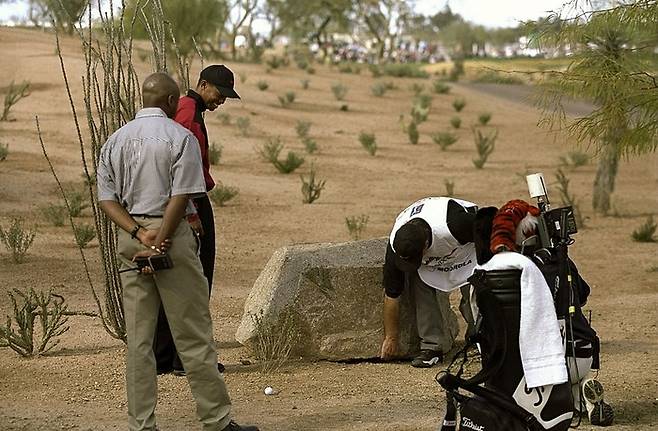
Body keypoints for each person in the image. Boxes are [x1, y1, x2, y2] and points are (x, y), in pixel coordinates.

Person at [97, 72, 257, 431]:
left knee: (139, 339)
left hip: (131, 237)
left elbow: (106, 199)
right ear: (172, 102)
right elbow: (182, 194)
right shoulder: (179, 137)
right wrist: (161, 237)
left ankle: (142, 424)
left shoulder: (114, 140)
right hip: (171, 235)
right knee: (193, 332)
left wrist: (139, 233)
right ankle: (216, 420)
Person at [154, 64, 241, 376]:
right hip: (190, 200)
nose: (222, 100)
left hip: (182, 200)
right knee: (196, 281)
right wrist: (190, 212)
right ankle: (186, 359)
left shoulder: (190, 108)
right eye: (220, 93)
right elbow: (178, 165)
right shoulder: (188, 113)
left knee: (177, 279)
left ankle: (163, 357)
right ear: (203, 85)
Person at [380, 197, 477, 368]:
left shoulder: (456, 223)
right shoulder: (397, 245)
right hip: (436, 259)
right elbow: (392, 294)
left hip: (466, 250)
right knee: (418, 279)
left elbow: (491, 226)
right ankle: (432, 347)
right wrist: (391, 338)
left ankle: (480, 337)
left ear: (425, 244)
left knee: (477, 289)